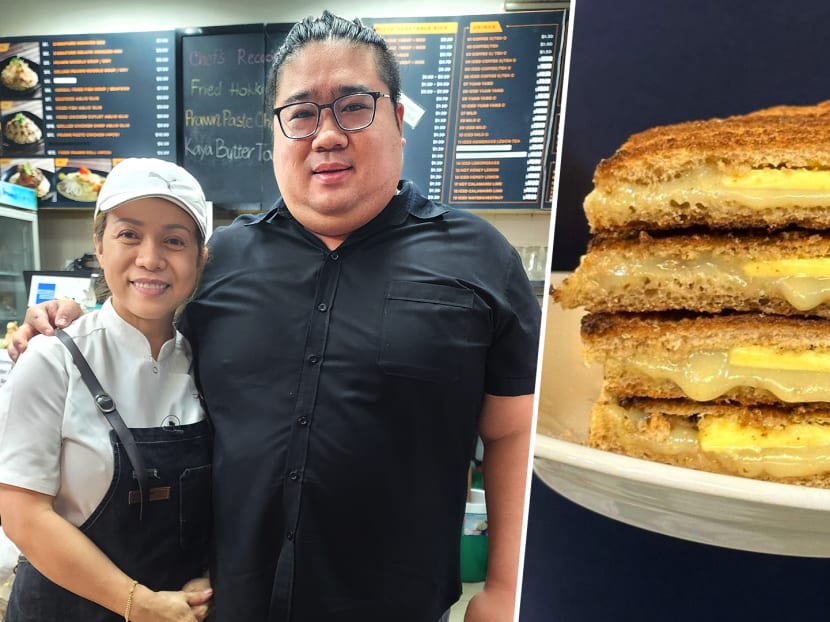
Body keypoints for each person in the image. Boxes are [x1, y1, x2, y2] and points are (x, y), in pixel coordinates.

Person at [9, 11, 541, 622]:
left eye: (353, 105)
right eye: (302, 113)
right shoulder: (221, 262)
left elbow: (510, 432)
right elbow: (136, 324)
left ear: (398, 119)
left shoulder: (478, 257)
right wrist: (69, 318)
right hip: (230, 604)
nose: (328, 135)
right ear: (276, 133)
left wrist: (504, 584)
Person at [0, 158, 214, 622]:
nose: (150, 258)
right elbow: (22, 514)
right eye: (129, 234)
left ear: (200, 259)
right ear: (98, 245)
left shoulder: (209, 364)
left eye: (174, 240)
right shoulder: (50, 359)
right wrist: (139, 604)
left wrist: (208, 574)